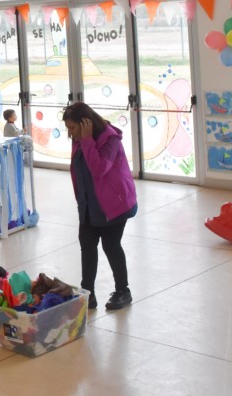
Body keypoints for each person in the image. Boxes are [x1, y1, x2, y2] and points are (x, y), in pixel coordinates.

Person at [63, 101, 138, 312]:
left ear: (86, 123)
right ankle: (88, 294)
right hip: (89, 205)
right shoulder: (79, 139)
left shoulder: (110, 139)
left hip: (114, 205)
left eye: (73, 128)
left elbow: (98, 168)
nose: (70, 134)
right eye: (68, 128)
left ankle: (123, 291)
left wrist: (87, 140)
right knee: (87, 245)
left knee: (111, 245)